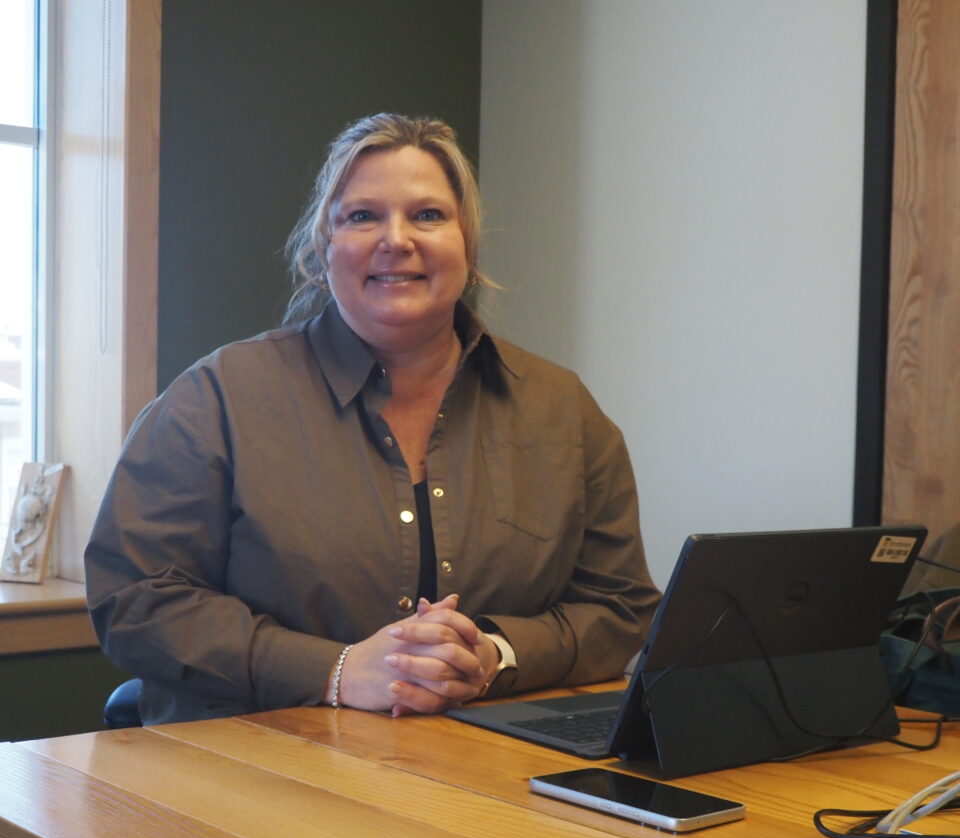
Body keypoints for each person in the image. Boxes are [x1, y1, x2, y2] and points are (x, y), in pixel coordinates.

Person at [85, 113, 661, 724]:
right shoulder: (216, 399)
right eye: (362, 216)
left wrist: (495, 654)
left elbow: (620, 606)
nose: (397, 239)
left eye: (428, 215)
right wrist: (335, 670)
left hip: (488, 763)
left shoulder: (564, 409)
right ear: (323, 246)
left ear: (467, 244)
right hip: (258, 758)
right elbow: (137, 601)